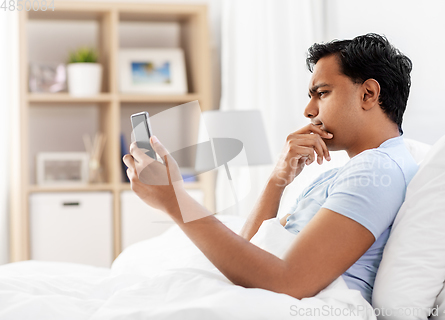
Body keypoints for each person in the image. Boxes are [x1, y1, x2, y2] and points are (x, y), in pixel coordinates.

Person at [122, 33, 418, 304]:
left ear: (368, 94)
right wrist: (277, 181)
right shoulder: (343, 174)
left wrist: (175, 201)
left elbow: (289, 281)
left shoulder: (376, 171)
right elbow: (244, 255)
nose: (309, 110)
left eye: (322, 93)